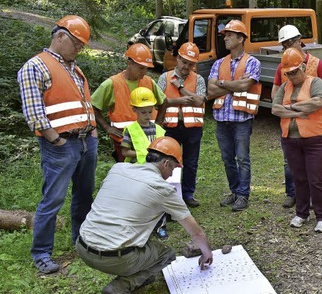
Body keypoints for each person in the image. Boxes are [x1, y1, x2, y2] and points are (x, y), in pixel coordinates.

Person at [76, 137, 213, 294]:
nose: (170, 175)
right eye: (172, 169)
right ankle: (123, 285)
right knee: (166, 254)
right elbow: (196, 232)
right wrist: (207, 253)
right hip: (114, 259)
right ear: (166, 163)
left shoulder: (118, 169)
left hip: (83, 247)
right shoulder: (163, 189)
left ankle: (138, 274)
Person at [17, 15, 97, 274]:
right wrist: (57, 140)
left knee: (84, 196)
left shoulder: (75, 68)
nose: (78, 49)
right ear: (60, 35)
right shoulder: (36, 66)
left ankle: (82, 241)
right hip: (61, 146)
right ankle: (41, 253)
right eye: (76, 43)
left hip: (86, 142)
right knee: (53, 199)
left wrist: (93, 133)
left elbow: (85, 104)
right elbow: (34, 113)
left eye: (82, 46)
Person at [272, 49, 322, 232]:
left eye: (294, 72)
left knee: (316, 179)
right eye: (288, 73)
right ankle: (301, 213)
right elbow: (275, 109)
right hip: (291, 139)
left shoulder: (315, 82)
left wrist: (289, 108)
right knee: (299, 178)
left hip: (317, 139)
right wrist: (299, 111)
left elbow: (318, 102)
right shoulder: (284, 87)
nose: (291, 76)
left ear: (303, 67)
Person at [207, 20, 262, 212]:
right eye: (225, 35)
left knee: (242, 158)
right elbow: (211, 89)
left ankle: (243, 195)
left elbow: (244, 86)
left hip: (242, 120)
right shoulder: (218, 63)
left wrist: (222, 84)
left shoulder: (253, 62)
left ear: (241, 38)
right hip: (222, 118)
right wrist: (231, 84)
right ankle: (234, 191)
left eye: (230, 35)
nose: (226, 38)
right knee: (227, 158)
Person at [92, 43, 167, 162]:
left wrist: (158, 123)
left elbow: (164, 102)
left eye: (146, 68)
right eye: (141, 68)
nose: (144, 72)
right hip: (124, 142)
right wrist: (106, 127)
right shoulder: (112, 84)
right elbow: (93, 106)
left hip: (148, 140)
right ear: (129, 63)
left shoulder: (149, 82)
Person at [158, 42, 207, 208]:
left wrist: (180, 88)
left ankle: (188, 194)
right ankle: (170, 195)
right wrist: (177, 101)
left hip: (192, 128)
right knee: (169, 162)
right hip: (170, 127)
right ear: (178, 58)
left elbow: (200, 100)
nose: (187, 66)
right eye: (184, 62)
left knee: (191, 162)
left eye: (191, 64)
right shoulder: (164, 77)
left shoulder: (198, 79)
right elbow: (159, 101)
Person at [121, 87, 170, 240]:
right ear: (135, 110)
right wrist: (142, 154)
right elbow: (124, 152)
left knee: (158, 199)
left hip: (156, 172)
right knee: (139, 201)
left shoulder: (159, 130)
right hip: (137, 172)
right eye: (143, 112)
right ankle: (140, 228)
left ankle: (160, 226)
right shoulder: (131, 130)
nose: (147, 116)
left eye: (150, 112)